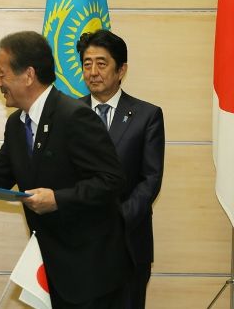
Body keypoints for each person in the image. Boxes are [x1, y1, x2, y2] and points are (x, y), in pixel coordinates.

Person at [0, 31, 133, 308]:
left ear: (28, 75)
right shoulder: (18, 124)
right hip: (53, 266)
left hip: (91, 271)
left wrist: (57, 199)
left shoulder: (74, 116)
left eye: (1, 74)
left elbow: (111, 181)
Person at [77, 29, 165, 309]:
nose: (93, 71)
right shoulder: (68, 114)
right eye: (87, 63)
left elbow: (150, 179)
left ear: (121, 69)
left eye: (101, 64)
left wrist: (116, 221)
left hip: (128, 242)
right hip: (77, 245)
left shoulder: (147, 115)